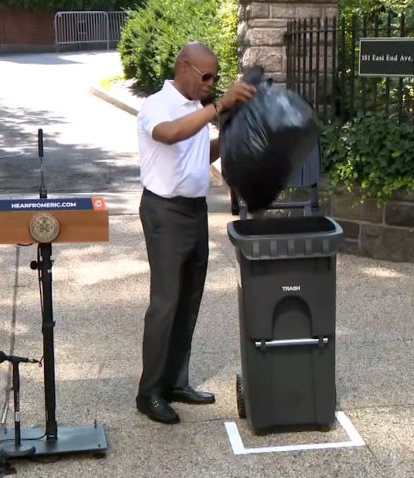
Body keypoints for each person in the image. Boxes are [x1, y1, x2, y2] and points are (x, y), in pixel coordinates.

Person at [135, 41, 256, 424]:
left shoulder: (195, 111)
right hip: (164, 212)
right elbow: (170, 135)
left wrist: (229, 142)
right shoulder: (158, 104)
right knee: (165, 303)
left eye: (215, 79)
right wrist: (217, 107)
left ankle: (175, 382)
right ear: (184, 67)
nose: (211, 83)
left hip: (194, 210)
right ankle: (149, 392)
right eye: (206, 76)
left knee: (188, 300)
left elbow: (197, 154)